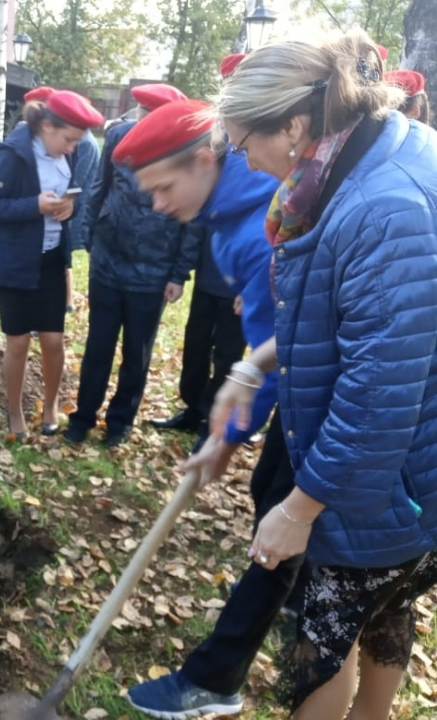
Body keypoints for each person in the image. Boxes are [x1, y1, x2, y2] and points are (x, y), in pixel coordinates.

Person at [204, 33, 437, 720]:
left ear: (297, 125)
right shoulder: (372, 152)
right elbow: (360, 321)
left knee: (325, 641)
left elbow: (376, 398)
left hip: (390, 482)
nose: (243, 159)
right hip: (412, 476)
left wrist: (298, 508)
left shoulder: (379, 205)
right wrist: (258, 361)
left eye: (246, 142)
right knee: (386, 611)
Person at [112, 98, 299, 718]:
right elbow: (274, 339)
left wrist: (228, 435)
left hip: (335, 394)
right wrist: (229, 430)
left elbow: (293, 346)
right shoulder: (227, 214)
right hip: (308, 387)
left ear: (202, 160)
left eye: (163, 188)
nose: (159, 205)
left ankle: (217, 676)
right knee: (271, 503)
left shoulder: (256, 223)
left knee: (281, 518)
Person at [65, 83, 199, 448]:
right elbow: (99, 188)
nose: (141, 123)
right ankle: (82, 418)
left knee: (136, 353)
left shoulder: (186, 151)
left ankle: (120, 423)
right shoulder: (119, 138)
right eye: (141, 115)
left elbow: (193, 219)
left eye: (148, 117)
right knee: (98, 346)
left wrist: (178, 273)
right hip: (108, 262)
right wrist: (90, 236)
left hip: (154, 271)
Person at [0, 91, 103, 438]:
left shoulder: (69, 154)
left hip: (50, 261)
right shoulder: (13, 153)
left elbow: (75, 192)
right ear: (47, 126)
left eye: (77, 141)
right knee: (18, 343)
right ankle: (14, 411)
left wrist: (69, 207)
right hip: (15, 261)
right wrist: (34, 205)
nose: (73, 148)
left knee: (53, 340)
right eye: (68, 139)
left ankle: (50, 405)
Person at [150, 64, 247, 451]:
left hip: (241, 280)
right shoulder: (213, 141)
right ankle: (192, 408)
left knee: (228, 354)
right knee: (195, 346)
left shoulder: (257, 151)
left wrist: (254, 287)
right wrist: (182, 271)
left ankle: (212, 422)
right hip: (210, 271)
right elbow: (196, 217)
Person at [23, 85, 100, 313]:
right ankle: (64, 302)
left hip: (71, 206)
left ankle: (66, 302)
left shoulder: (81, 142)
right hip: (63, 207)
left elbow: (78, 180)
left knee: (61, 258)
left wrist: (66, 202)